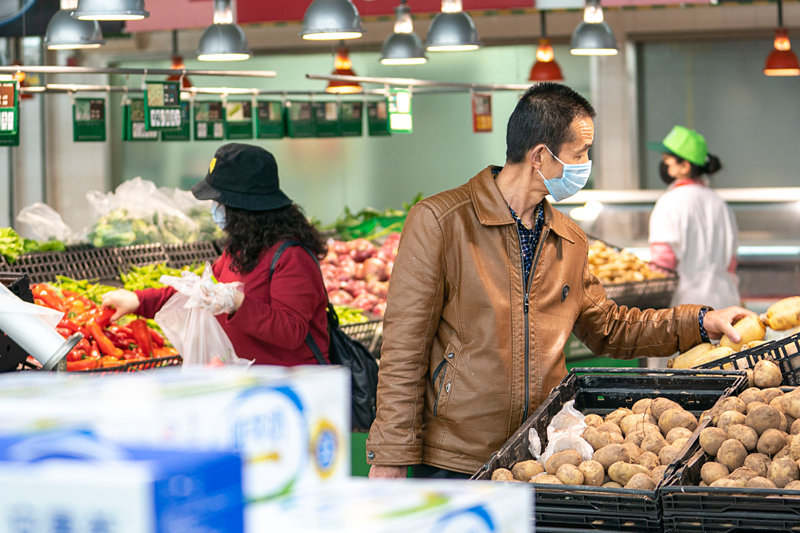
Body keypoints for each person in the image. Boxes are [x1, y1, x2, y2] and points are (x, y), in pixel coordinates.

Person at [366, 83, 755, 480]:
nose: (585, 165)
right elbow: (404, 348)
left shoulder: (568, 238)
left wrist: (700, 321)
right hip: (456, 460)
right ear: (540, 157)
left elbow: (610, 326)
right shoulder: (441, 222)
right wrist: (392, 453)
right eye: (580, 154)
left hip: (540, 456)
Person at [102, 143, 330, 366]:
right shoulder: (242, 247)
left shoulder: (292, 256)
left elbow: (291, 331)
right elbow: (201, 290)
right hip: (247, 381)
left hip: (292, 389)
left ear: (244, 208)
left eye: (219, 202)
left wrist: (238, 302)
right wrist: (138, 301)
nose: (213, 208)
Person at [647, 125, 740, 310]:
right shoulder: (720, 204)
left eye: (668, 161)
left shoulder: (669, 202)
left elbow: (662, 264)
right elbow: (731, 262)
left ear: (685, 166)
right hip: (726, 301)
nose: (664, 166)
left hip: (688, 306)